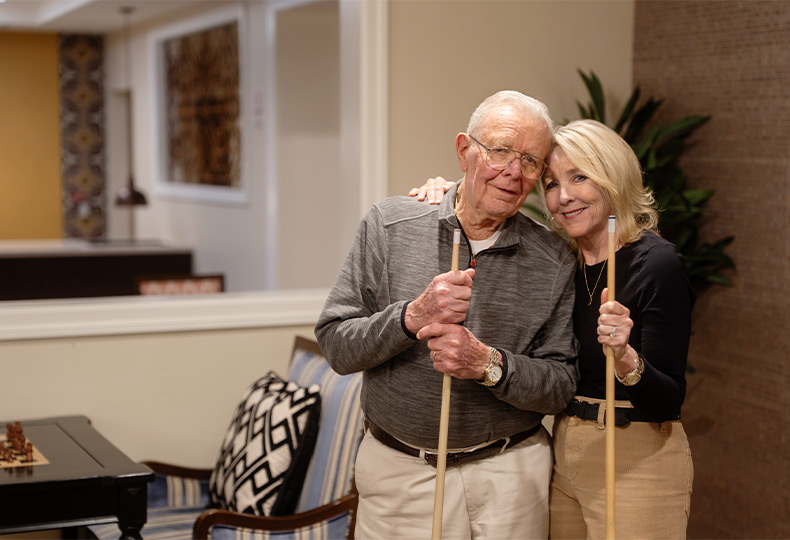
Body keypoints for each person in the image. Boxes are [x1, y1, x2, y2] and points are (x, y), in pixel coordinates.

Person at [411, 119, 695, 539]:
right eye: (551, 184)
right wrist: (448, 193)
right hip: (565, 449)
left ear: (612, 176)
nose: (563, 197)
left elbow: (668, 400)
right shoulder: (561, 260)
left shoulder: (656, 264)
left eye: (579, 177)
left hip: (636, 454)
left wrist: (626, 358)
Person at [315, 90, 579, 539]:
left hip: (510, 475)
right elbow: (336, 346)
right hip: (400, 474)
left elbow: (561, 385)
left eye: (530, 161)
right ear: (464, 151)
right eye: (499, 151)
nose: (513, 172)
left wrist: (489, 365)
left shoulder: (553, 258)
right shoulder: (389, 225)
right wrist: (409, 318)